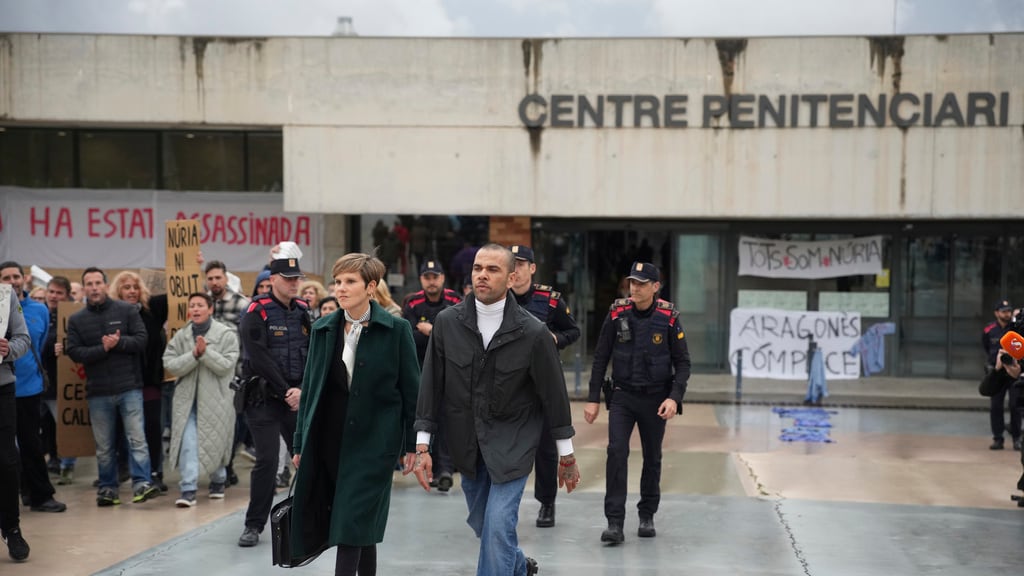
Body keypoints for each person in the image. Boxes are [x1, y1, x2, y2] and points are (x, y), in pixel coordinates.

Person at [411, 244, 579, 576]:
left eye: (492, 269)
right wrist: (422, 444)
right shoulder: (447, 323)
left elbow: (554, 395)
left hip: (513, 443)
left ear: (512, 277)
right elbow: (431, 384)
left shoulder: (533, 332)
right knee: (483, 524)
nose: (482, 275)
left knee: (499, 525)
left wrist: (567, 455)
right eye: (477, 268)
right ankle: (519, 566)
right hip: (467, 443)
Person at [289, 253, 420, 574]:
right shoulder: (323, 329)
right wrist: (299, 442)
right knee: (360, 525)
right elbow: (311, 388)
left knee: (350, 522)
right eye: (338, 281)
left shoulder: (397, 330)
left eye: (350, 282)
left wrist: (414, 444)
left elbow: (412, 392)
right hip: (330, 441)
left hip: (376, 443)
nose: (341, 288)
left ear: (371, 287)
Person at [585, 261, 690, 544]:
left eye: (642, 283)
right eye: (632, 282)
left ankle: (647, 514)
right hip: (622, 396)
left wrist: (673, 397)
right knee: (616, 452)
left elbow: (682, 363)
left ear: (655, 287)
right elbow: (600, 357)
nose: (635, 288)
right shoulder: (617, 313)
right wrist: (593, 398)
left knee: (652, 457)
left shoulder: (668, 318)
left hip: (656, 398)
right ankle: (614, 522)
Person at [66, 267, 160, 507]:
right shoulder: (77, 320)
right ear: (85, 287)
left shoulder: (127, 310)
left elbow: (141, 340)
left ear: (106, 286)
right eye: (90, 283)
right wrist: (103, 348)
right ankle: (108, 488)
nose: (94, 287)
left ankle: (142, 483)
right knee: (105, 446)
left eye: (98, 282)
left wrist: (119, 342)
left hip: (129, 387)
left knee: (137, 439)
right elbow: (74, 352)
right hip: (98, 392)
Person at [237, 257, 311, 548]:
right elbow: (259, 357)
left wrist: (302, 389)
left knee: (308, 457)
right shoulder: (256, 311)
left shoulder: (305, 310)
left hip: (297, 398)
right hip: (265, 399)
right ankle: (253, 525)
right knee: (267, 462)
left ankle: (310, 518)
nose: (294, 283)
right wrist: (286, 391)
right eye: (288, 278)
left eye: (297, 278)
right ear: (274, 278)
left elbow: (314, 352)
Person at [507, 245, 580, 528]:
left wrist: (555, 339)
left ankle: (547, 504)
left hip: (544, 381)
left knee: (547, 450)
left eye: (522, 264)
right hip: (511, 383)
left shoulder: (550, 301)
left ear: (532, 268)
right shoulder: (499, 298)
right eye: (512, 264)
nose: (516, 269)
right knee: (510, 445)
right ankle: (507, 505)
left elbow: (573, 330)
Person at [0, 262, 67, 514]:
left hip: (29, 388)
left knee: (32, 444)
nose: (12, 280)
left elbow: (37, 345)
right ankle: (18, 493)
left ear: (23, 278)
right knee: (7, 450)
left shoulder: (38, 310)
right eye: (6, 277)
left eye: (16, 276)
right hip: (2, 387)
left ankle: (39, 495)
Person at [163, 293, 239, 507]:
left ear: (210, 309)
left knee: (215, 440)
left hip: (217, 399)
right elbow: (169, 363)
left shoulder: (226, 334)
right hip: (187, 401)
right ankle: (188, 489)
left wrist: (206, 353)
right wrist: (194, 355)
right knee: (188, 442)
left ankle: (218, 480)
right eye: (192, 306)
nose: (195, 309)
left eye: (200, 305)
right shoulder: (181, 336)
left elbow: (227, 365)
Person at [402, 260, 461, 490]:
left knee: (446, 420)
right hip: (420, 370)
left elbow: (459, 335)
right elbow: (409, 337)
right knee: (427, 419)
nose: (431, 281)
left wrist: (431, 330)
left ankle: (445, 470)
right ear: (421, 280)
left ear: (443, 278)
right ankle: (434, 469)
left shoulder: (455, 300)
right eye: (427, 277)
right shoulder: (413, 302)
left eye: (435, 276)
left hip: (450, 370)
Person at [108, 271, 169, 492]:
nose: (132, 291)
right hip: (121, 383)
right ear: (118, 291)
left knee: (153, 428)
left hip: (149, 381)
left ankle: (154, 472)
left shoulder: (152, 310)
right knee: (123, 432)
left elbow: (180, 289)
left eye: (135, 287)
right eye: (126, 287)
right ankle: (124, 469)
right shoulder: (110, 315)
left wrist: (193, 263)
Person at [1, 282, 33, 561]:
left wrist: (7, 348)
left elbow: (24, 339)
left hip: (2, 388)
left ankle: (11, 528)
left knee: (6, 461)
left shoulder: (5, 294)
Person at [41, 276, 77, 484]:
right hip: (37, 384)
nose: (54, 296)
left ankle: (67, 467)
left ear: (67, 295)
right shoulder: (38, 313)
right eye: (51, 292)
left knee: (66, 426)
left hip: (60, 383)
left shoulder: (72, 316)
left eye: (59, 293)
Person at [983, 299, 1020, 450]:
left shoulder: (1016, 328)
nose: (1007, 314)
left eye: (1009, 311)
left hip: (1013, 371)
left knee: (1015, 405)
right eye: (1004, 311)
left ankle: (1017, 438)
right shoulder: (989, 330)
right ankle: (998, 438)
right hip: (997, 372)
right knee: (996, 405)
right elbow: (986, 346)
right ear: (997, 313)